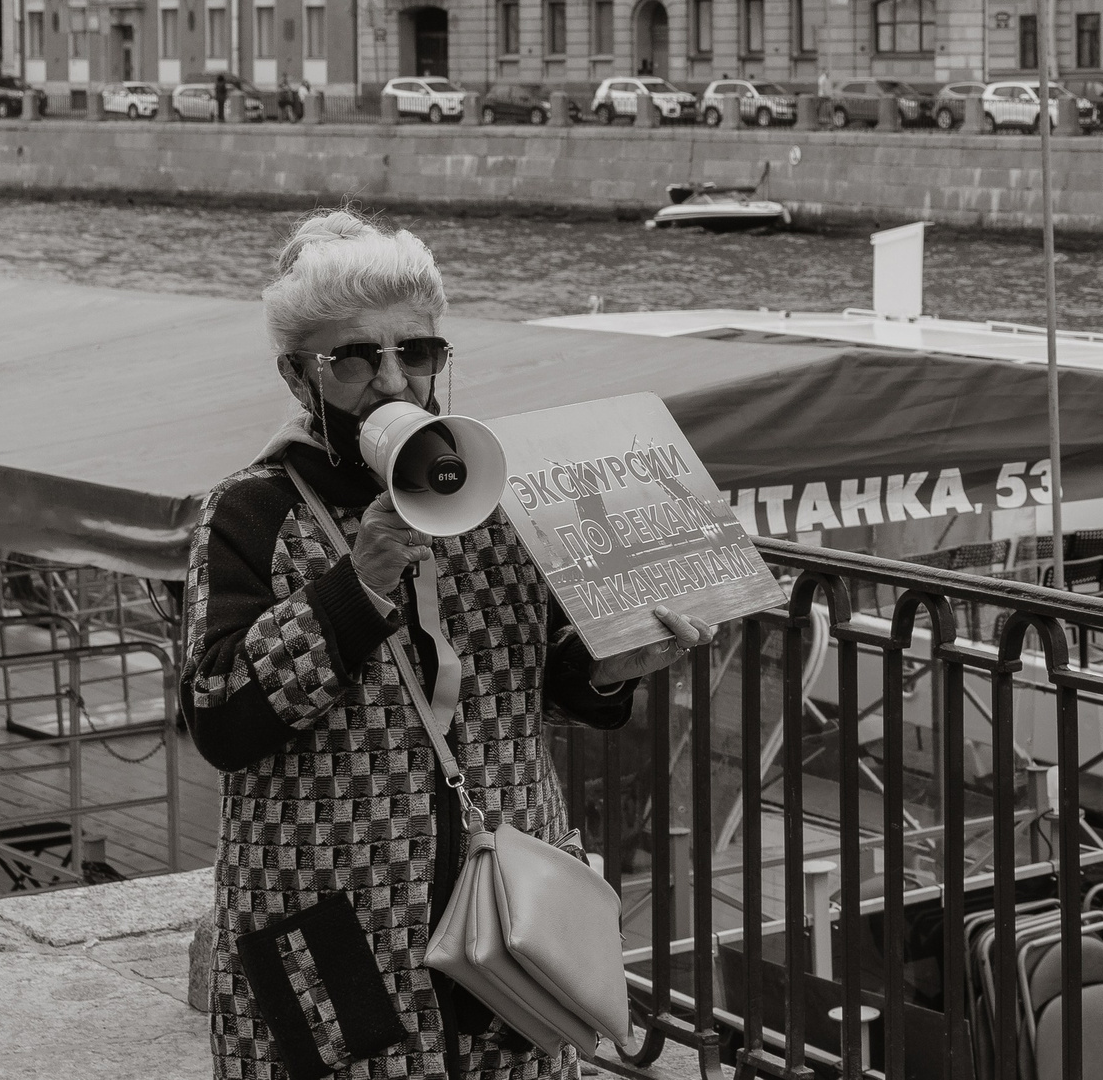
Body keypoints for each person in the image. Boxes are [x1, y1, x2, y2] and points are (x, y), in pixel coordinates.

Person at [182, 210, 717, 1079]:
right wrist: (355, 586)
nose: (394, 380)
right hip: (331, 917)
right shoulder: (252, 508)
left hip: (506, 915)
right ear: (296, 375)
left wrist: (613, 663)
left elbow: (544, 678)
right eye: (355, 358)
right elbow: (219, 717)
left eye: (419, 352)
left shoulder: (493, 488)